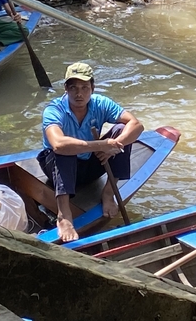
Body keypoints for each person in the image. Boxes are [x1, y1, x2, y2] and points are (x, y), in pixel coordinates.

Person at [37, 62, 144, 242]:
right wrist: (100, 145)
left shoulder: (101, 104)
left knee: (121, 130)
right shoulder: (54, 109)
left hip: (89, 164)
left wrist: (114, 146)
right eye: (74, 88)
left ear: (92, 88)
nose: (79, 94)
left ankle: (108, 193)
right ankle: (64, 215)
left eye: (85, 88)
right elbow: (57, 144)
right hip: (58, 165)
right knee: (66, 148)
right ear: (66, 89)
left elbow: (137, 125)